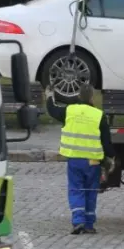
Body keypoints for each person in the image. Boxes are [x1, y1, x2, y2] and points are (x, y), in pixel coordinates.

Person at [45, 83, 112, 235]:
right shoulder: (98, 115)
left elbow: (52, 110)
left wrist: (49, 96)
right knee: (90, 191)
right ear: (92, 98)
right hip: (93, 162)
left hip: (75, 160)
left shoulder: (69, 111)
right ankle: (89, 225)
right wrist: (110, 158)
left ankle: (78, 222)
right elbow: (106, 141)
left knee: (76, 190)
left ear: (78, 96)